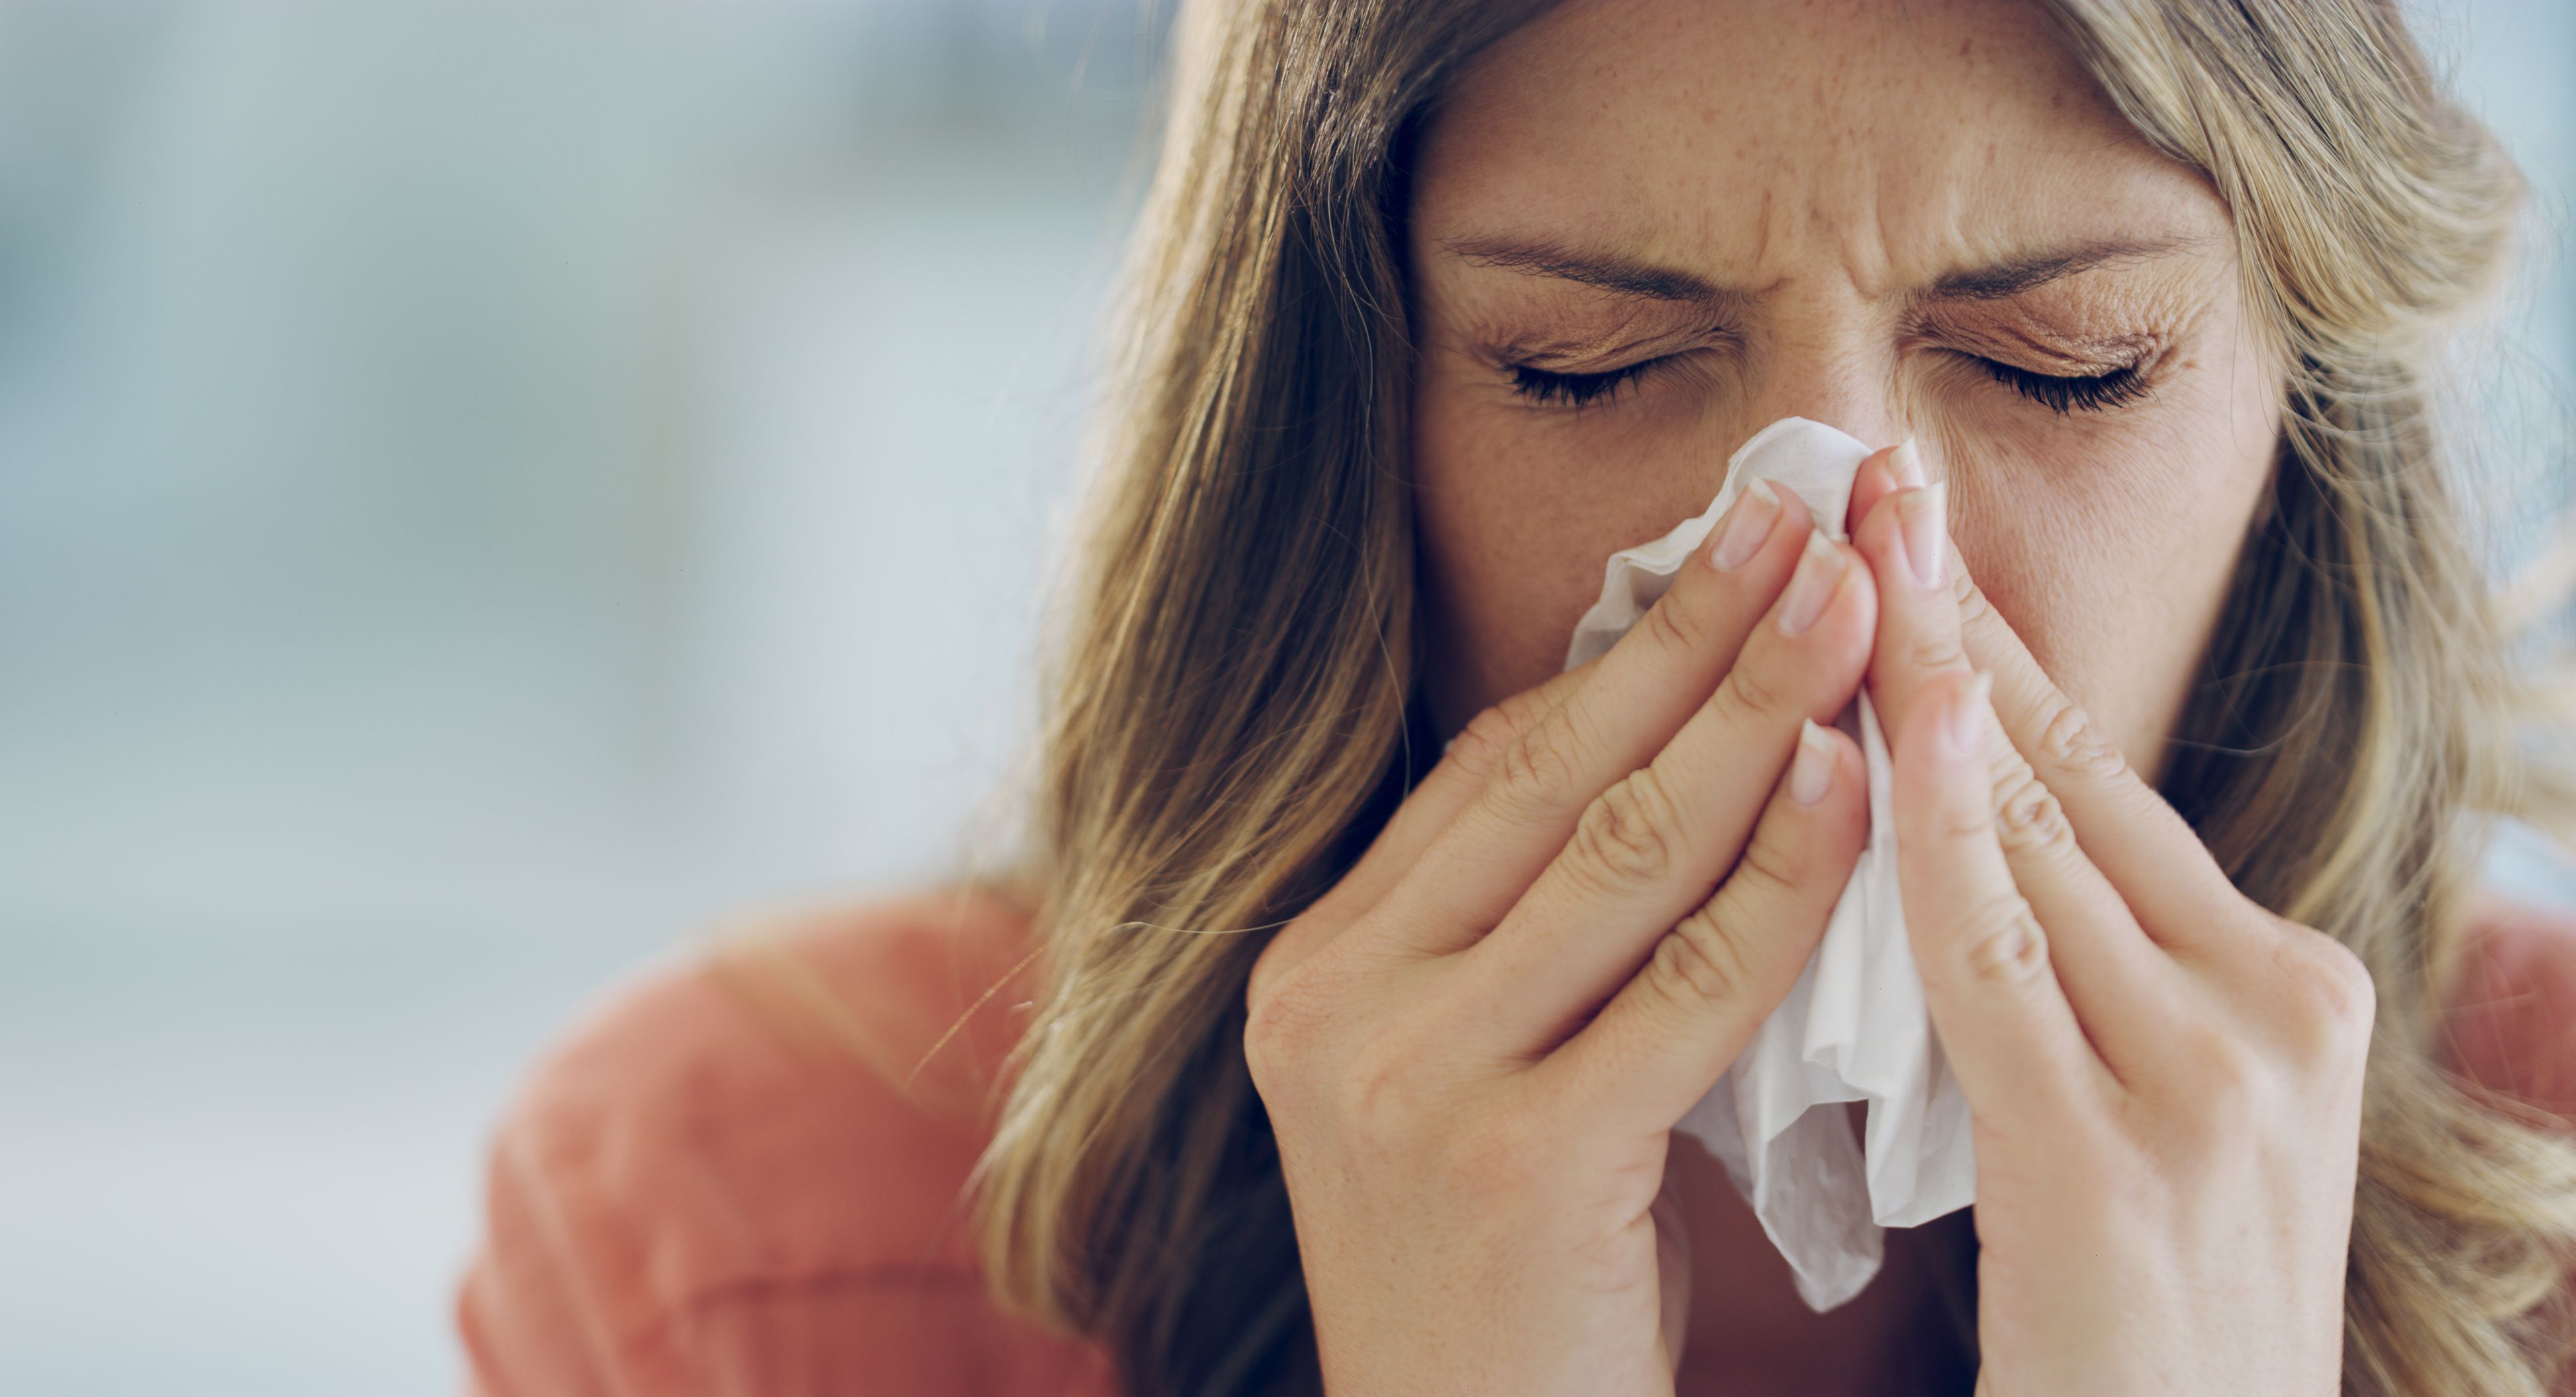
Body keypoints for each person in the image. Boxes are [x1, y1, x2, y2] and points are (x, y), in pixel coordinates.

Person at [455, 0, 2576, 1392]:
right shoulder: (760, 1236)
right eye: (1587, 367)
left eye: (2068, 364)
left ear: (2305, 413)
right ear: (1335, 416)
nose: (1843, 582)